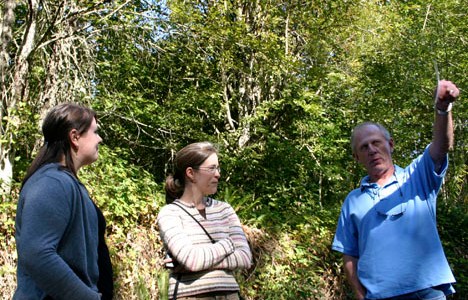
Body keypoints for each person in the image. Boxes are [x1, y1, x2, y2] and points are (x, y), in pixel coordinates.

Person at [332, 80, 460, 300]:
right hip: (379, 296)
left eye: (376, 142)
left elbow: (441, 147)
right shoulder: (352, 201)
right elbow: (349, 253)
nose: (372, 150)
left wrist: (442, 109)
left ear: (390, 144)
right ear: (357, 157)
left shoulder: (417, 177)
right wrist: (359, 294)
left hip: (428, 291)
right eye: (364, 147)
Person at [14, 103, 113, 300]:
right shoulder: (51, 183)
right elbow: (37, 254)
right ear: (74, 137)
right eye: (95, 132)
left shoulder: (65, 182)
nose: (99, 139)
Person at [157, 142, 252, 300]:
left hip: (230, 295)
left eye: (218, 168)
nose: (218, 174)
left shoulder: (224, 209)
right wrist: (227, 245)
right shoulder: (170, 213)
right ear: (191, 173)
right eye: (211, 168)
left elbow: (244, 257)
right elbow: (192, 260)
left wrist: (187, 264)